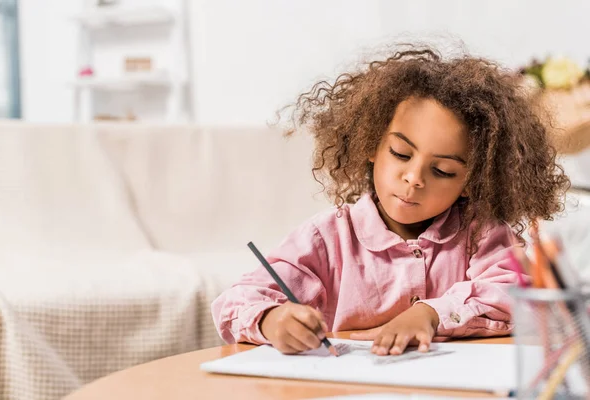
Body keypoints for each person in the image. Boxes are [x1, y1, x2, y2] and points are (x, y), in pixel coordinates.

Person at [212, 45, 570, 356]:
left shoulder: (482, 233)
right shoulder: (326, 240)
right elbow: (236, 301)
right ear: (371, 145)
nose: (414, 178)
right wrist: (272, 320)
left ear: (471, 181)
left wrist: (432, 313)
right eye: (401, 153)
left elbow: (513, 294)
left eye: (443, 170)